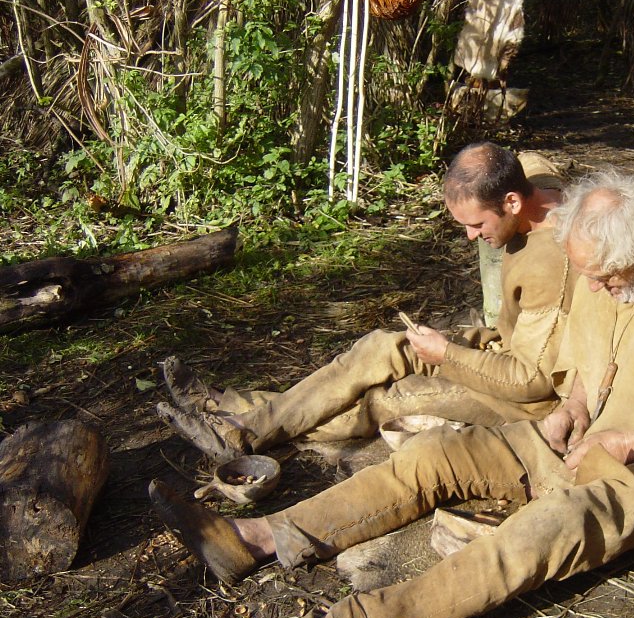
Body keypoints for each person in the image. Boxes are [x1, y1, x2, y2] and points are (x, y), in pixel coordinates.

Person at [149, 169, 634, 618]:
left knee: (541, 532)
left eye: (603, 277)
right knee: (432, 456)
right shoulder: (601, 276)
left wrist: (626, 444)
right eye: (586, 276)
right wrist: (572, 410)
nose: (592, 288)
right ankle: (257, 537)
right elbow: (587, 367)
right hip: (580, 440)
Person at [156, 142, 574, 462]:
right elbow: (528, 159)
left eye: (477, 224)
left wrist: (446, 355)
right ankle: (232, 415)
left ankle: (237, 429)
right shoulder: (538, 188)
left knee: (383, 399)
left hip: (523, 398)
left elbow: (532, 381)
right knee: (378, 348)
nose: (470, 236)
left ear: (512, 201)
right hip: (499, 348)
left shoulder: (548, 262)